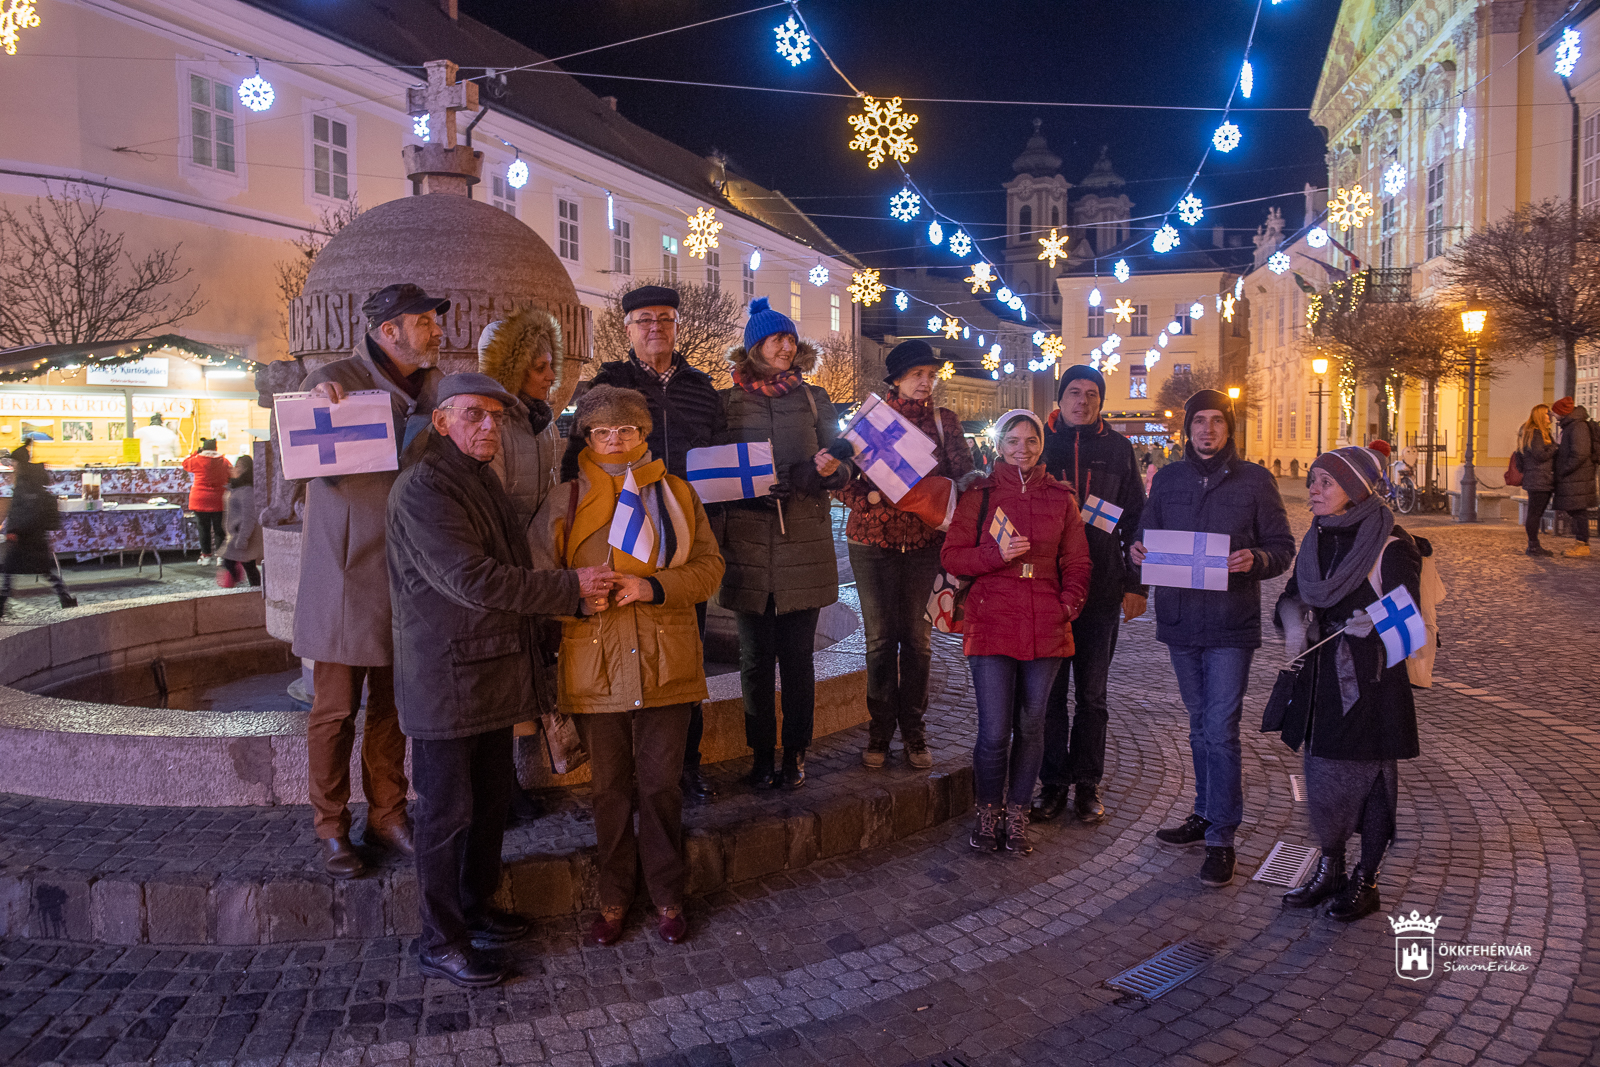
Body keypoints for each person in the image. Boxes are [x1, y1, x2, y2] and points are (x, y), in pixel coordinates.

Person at [388, 373, 607, 988]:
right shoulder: (426, 487)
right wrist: (569, 589)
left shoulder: (476, 477)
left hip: (486, 670)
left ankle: (474, 909)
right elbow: (474, 580)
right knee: (445, 814)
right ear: (442, 422)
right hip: (447, 677)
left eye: (495, 418)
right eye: (473, 416)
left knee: (486, 807)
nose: (489, 428)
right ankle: (441, 938)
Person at [529, 385, 724, 947]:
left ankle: (668, 895)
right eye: (602, 432)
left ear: (644, 435)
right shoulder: (564, 499)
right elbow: (539, 579)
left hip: (667, 664)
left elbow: (710, 571)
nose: (615, 441)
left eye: (627, 431)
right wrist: (574, 593)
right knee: (609, 791)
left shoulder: (678, 496)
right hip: (595, 670)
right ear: (586, 438)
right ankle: (613, 898)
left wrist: (654, 585)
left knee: (662, 786)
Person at [295, 282, 448, 879]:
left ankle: (387, 812)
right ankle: (330, 826)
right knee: (334, 711)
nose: (438, 331)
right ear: (390, 331)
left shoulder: (435, 387)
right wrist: (315, 403)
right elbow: (296, 457)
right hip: (344, 572)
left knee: (392, 707)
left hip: (407, 572)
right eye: (427, 322)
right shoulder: (336, 381)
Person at [563, 285, 725, 801]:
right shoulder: (610, 383)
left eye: (666, 318)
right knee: (614, 656)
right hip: (619, 540)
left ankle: (685, 764)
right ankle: (622, 770)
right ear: (628, 329)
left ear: (676, 326)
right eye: (644, 319)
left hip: (679, 537)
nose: (656, 326)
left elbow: (721, 460)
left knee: (686, 654)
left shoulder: (702, 387)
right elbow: (576, 457)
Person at [1132, 389, 1294, 887]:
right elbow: (1147, 533)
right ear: (1187, 429)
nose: (1207, 431)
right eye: (1199, 422)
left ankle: (1222, 837)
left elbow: (1282, 547)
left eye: (1216, 422)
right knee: (1198, 724)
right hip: (1181, 620)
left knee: (1220, 729)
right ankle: (1203, 813)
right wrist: (1138, 554)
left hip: (1229, 622)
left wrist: (1257, 560)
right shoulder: (1170, 478)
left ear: (1229, 429)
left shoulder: (1255, 481)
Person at [1272, 447, 1421, 922]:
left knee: (1372, 782)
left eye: (1324, 483)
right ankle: (1332, 868)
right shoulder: (1316, 538)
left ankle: (1367, 879)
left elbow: (1409, 621)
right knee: (1322, 779)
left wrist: (1372, 622)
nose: (1313, 490)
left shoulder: (1391, 545)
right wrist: (1293, 623)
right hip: (1321, 678)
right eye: (1313, 480)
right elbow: (1293, 595)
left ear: (1354, 490)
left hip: (1370, 682)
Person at [941, 409, 1091, 855]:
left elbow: (1078, 561)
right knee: (993, 730)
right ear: (999, 445)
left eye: (1030, 441)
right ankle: (989, 811)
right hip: (992, 620)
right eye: (1013, 441)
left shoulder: (1061, 498)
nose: (1021, 449)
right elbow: (953, 557)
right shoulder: (980, 495)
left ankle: (1019, 811)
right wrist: (994, 554)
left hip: (1046, 622)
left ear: (1041, 445)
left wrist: (1068, 603)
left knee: (1031, 725)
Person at [716, 298, 851, 791]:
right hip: (748, 548)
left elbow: (845, 465)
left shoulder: (814, 398)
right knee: (753, 661)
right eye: (777, 339)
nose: (787, 346)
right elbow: (711, 468)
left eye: (791, 339)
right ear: (754, 347)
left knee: (798, 660)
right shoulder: (728, 401)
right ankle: (760, 754)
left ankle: (794, 752)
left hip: (804, 546)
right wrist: (746, 491)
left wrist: (831, 473)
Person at [837, 339, 974, 769]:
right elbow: (840, 478)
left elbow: (963, 474)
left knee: (917, 641)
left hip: (922, 544)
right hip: (871, 543)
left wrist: (969, 482)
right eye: (917, 374)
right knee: (879, 642)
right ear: (896, 378)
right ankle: (878, 732)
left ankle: (914, 731)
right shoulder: (870, 421)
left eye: (930, 375)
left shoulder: (943, 420)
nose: (925, 382)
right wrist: (872, 498)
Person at [1032, 365, 1146, 824]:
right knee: (1051, 696)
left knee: (1093, 696)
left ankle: (1087, 783)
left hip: (1101, 588)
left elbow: (1138, 516)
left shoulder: (1118, 448)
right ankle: (1053, 783)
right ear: (1061, 398)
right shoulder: (1040, 440)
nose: (1083, 401)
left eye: (1092, 394)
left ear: (1101, 400)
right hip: (1049, 589)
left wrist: (1137, 583)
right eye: (1075, 393)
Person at [0, 442, 76, 616]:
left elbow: (22, 509)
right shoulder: (30, 479)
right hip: (34, 536)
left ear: (19, 463)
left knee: (11, 570)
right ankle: (65, 597)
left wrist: (13, 530)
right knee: (41, 570)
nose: (12, 466)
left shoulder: (24, 482)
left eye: (13, 463)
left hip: (25, 536)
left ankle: (2, 603)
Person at [1552, 396, 1595, 558]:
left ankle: (1583, 544)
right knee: (1575, 509)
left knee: (1578, 510)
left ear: (1563, 413)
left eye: (1556, 412)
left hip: (1577, 477)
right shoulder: (1572, 426)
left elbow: (1580, 453)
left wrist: (1564, 469)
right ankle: (1581, 543)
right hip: (1576, 476)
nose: (1554, 416)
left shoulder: (1577, 427)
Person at [1517, 404, 1559, 557]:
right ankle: (1533, 546)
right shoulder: (1536, 434)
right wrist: (1555, 447)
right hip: (1539, 479)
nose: (1550, 417)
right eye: (1547, 414)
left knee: (1535, 513)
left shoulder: (1532, 433)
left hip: (1537, 478)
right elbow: (1540, 455)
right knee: (1535, 513)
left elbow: (1520, 461)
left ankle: (1534, 545)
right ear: (1541, 416)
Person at [183, 438, 231, 566]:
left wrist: (195, 453)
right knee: (219, 529)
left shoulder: (196, 460)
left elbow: (185, 464)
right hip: (218, 499)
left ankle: (206, 556)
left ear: (203, 448)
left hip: (200, 499)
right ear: (216, 448)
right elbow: (230, 474)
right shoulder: (224, 461)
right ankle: (220, 556)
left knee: (203, 528)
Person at [216, 454, 262, 588]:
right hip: (235, 534)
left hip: (240, 535)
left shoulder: (247, 490)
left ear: (245, 469)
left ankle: (239, 589)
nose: (234, 468)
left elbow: (249, 516)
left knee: (232, 563)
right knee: (248, 566)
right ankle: (253, 590)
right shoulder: (236, 487)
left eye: (238, 466)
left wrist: (243, 538)